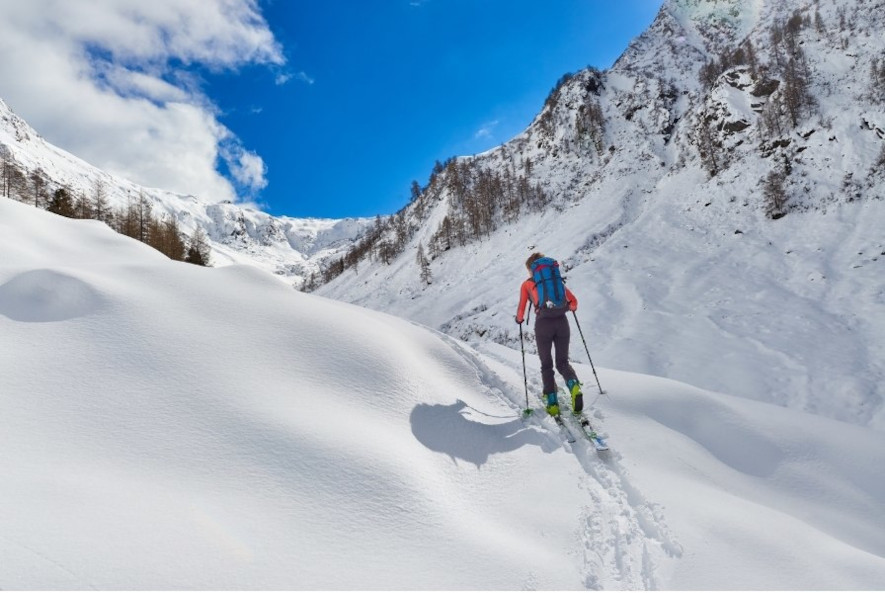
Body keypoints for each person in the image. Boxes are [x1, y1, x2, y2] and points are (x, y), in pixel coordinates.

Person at [515, 252, 583, 416]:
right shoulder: (555, 282)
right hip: (562, 323)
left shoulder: (527, 285)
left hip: (543, 325)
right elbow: (574, 303)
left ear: (531, 269)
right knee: (563, 362)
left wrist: (519, 320)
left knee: (546, 364)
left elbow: (521, 310)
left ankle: (552, 403)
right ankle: (573, 386)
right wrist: (567, 308)